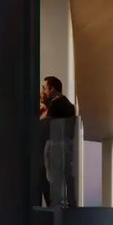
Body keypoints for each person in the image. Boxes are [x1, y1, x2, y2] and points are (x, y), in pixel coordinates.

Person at [39, 76, 77, 207]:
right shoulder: (66, 104)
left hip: (55, 146)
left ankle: (55, 204)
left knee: (52, 177)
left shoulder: (56, 104)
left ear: (52, 88)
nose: (43, 91)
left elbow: (41, 123)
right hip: (63, 147)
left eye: (44, 88)